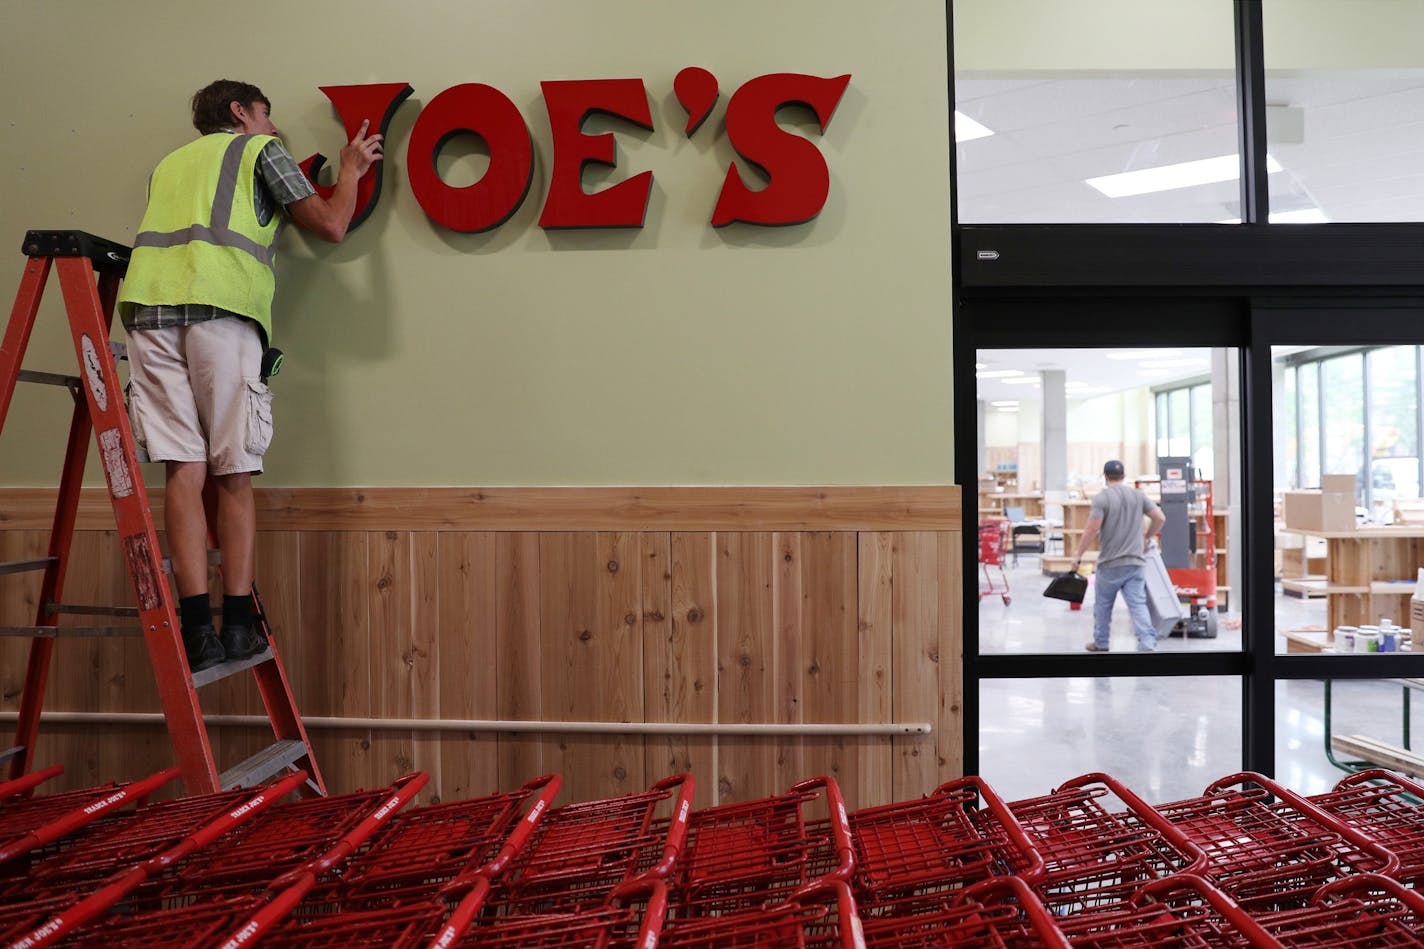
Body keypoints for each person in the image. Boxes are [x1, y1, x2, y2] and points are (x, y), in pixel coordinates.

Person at [118, 79, 383, 672]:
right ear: (241, 112)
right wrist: (350, 171)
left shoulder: (169, 166)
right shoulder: (259, 151)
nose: (273, 125)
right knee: (233, 466)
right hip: (222, 309)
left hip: (148, 313)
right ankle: (237, 625)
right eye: (266, 114)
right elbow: (330, 225)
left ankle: (195, 630)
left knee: (182, 468)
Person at [1070, 460, 1167, 652]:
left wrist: (1077, 555)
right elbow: (1160, 517)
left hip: (1110, 564)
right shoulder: (1138, 496)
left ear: (1105, 477)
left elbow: (1092, 529)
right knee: (1138, 605)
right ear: (1123, 476)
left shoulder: (1101, 498)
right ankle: (1147, 643)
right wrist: (1147, 538)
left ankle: (1101, 642)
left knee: (1103, 607)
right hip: (1135, 562)